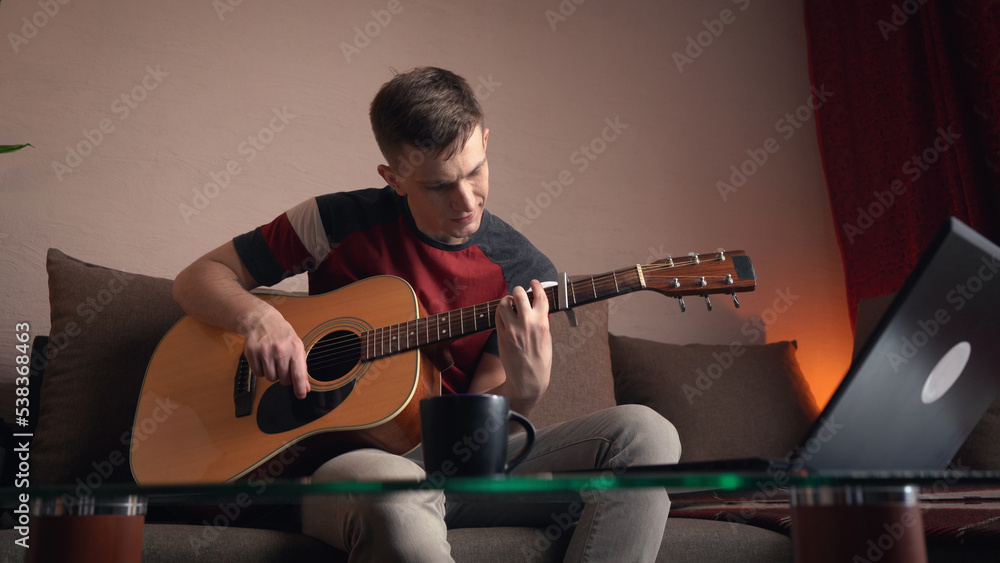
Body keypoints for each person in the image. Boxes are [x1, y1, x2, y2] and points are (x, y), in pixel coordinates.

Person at [172, 66, 681, 561]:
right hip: (341, 467)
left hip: (454, 465)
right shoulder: (332, 221)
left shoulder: (524, 271)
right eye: (439, 186)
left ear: (485, 139)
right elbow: (198, 278)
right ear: (393, 177)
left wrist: (525, 391)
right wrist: (259, 319)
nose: (466, 202)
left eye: (476, 171)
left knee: (647, 434)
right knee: (398, 489)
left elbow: (478, 437)